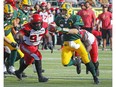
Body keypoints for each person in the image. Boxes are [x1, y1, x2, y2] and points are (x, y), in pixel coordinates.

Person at [54, 2, 99, 84]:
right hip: (67, 44)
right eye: (62, 10)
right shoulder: (58, 18)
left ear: (68, 11)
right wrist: (52, 28)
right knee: (65, 63)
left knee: (86, 59)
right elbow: (54, 26)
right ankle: (76, 62)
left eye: (64, 10)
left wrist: (63, 29)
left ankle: (95, 77)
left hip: (76, 42)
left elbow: (76, 31)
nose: (62, 12)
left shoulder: (75, 17)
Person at [15, 14, 53, 82]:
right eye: (35, 24)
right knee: (38, 56)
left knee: (28, 61)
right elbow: (18, 34)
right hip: (26, 46)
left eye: (38, 23)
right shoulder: (27, 28)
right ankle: (40, 77)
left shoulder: (44, 26)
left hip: (34, 46)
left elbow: (47, 35)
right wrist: (19, 39)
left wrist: (49, 42)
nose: (37, 25)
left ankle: (19, 72)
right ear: (31, 23)